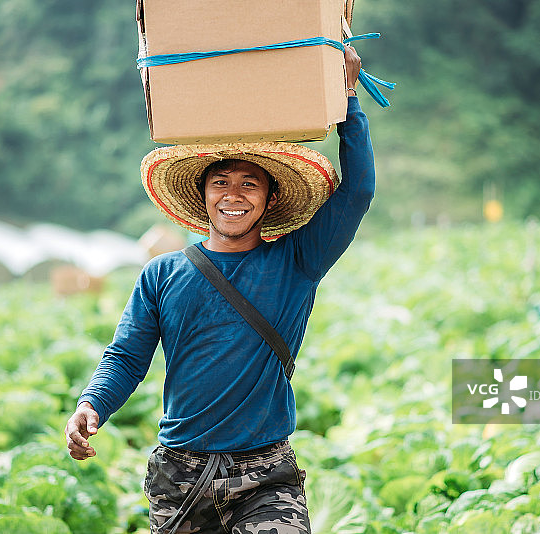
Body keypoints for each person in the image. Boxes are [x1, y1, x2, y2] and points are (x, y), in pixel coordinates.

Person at [65, 45, 375, 534]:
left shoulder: (296, 261)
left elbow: (357, 193)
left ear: (269, 199)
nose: (234, 194)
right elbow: (126, 356)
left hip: (266, 474)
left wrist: (349, 100)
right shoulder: (161, 275)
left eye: (250, 183)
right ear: (203, 194)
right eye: (221, 182)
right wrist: (91, 404)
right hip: (180, 476)